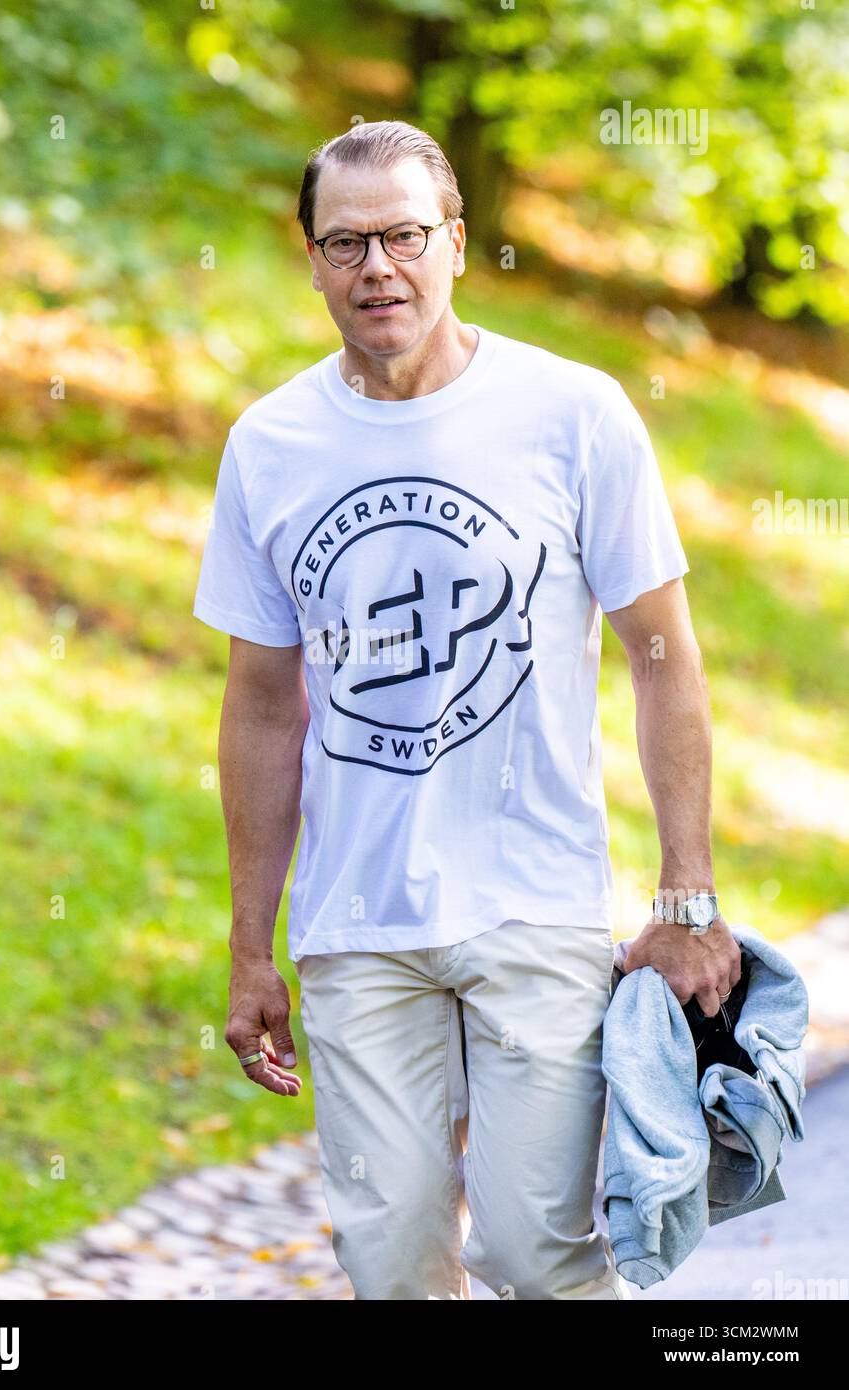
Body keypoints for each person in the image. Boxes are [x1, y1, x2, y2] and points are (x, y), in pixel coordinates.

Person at [192, 119, 741, 1300]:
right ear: (310, 257)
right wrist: (251, 945)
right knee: (392, 1266)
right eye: (345, 243)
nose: (375, 268)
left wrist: (688, 893)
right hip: (355, 921)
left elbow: (663, 655)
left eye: (401, 236)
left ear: (455, 242)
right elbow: (260, 707)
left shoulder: (574, 413)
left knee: (535, 1255)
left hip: (535, 900)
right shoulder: (271, 444)